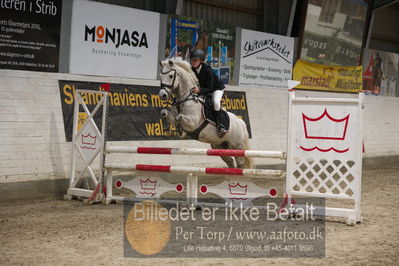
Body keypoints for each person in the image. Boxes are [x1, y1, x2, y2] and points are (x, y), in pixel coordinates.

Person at [190, 49, 226, 137]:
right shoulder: (192, 69)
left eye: (195, 60)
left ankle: (220, 125)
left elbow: (210, 89)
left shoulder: (207, 70)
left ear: (201, 61)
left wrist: (199, 90)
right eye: (192, 60)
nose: (193, 62)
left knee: (216, 103)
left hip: (216, 89)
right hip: (205, 89)